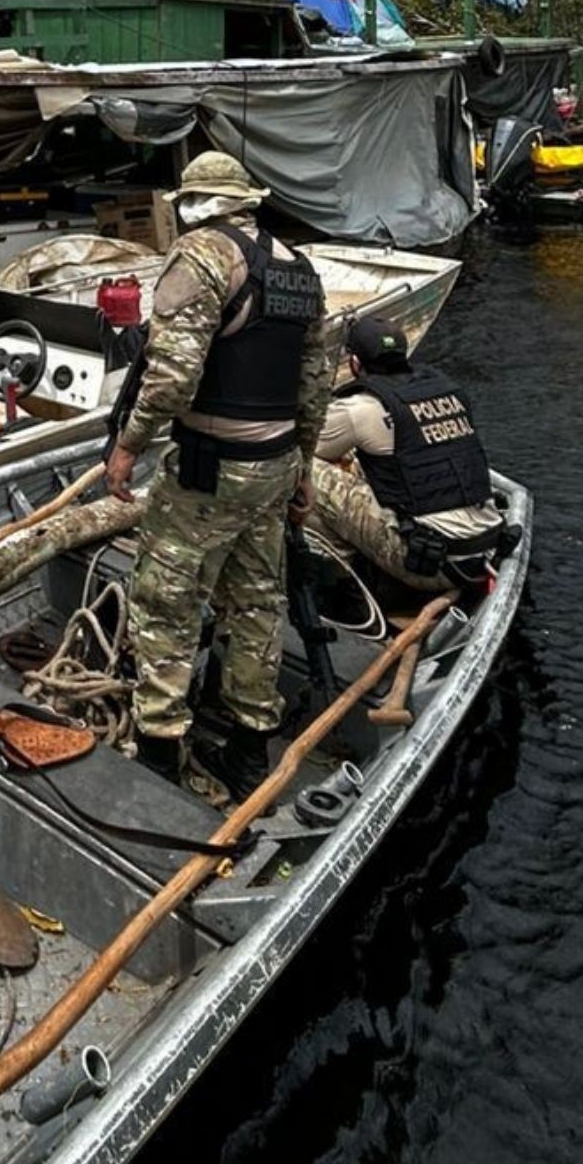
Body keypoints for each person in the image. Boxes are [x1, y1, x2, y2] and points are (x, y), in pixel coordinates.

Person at [106, 151, 333, 803]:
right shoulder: (298, 267)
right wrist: (306, 469)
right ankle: (249, 745)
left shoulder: (199, 257)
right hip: (277, 462)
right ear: (248, 201)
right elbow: (314, 383)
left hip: (211, 469)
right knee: (259, 600)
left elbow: (172, 378)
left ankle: (157, 747)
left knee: (165, 599)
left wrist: (127, 447)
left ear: (193, 203)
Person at [302, 315, 505, 588]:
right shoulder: (450, 392)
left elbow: (309, 447)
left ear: (355, 363)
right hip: (487, 546)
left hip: (429, 562)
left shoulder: (362, 407)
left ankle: (341, 570)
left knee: (301, 466)